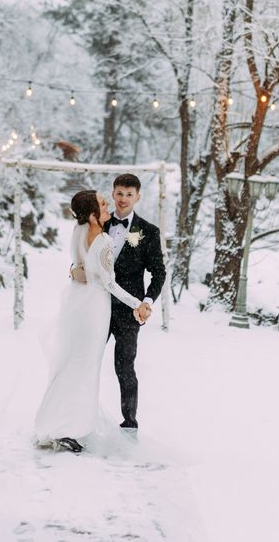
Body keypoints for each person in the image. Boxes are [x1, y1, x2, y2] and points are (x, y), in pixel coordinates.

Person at [35, 190, 146, 453]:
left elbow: (78, 267)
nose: (108, 205)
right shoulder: (104, 240)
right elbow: (109, 284)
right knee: (87, 367)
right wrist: (137, 304)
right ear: (93, 213)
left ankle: (54, 423)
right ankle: (72, 430)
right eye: (103, 203)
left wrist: (76, 272)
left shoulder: (77, 230)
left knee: (71, 363)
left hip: (76, 305)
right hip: (95, 308)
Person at [71, 173, 166, 432]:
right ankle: (77, 418)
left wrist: (146, 301)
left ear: (138, 197)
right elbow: (83, 256)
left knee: (125, 367)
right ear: (112, 194)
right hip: (96, 307)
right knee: (85, 361)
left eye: (129, 194)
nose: (123, 199)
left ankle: (129, 423)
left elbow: (159, 272)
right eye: (119, 193)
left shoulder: (148, 231)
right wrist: (74, 270)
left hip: (129, 312)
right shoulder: (98, 221)